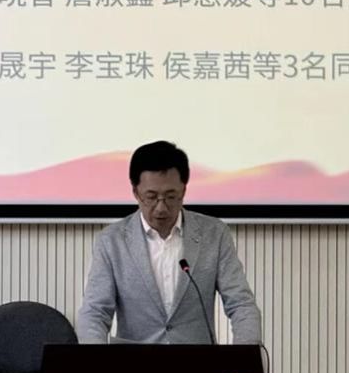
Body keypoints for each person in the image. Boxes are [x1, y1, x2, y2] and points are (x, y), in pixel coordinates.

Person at [76, 140, 262, 344]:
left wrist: (245, 354)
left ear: (183, 190)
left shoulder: (214, 235)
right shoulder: (112, 241)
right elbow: (94, 312)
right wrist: (96, 359)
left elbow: (241, 304)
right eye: (151, 197)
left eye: (171, 197)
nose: (161, 208)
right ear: (136, 192)